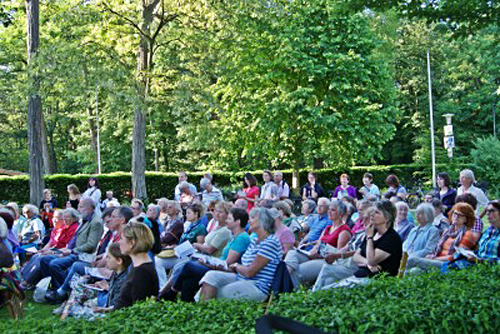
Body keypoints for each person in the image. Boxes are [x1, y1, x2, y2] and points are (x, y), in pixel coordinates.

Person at [159, 208, 251, 302]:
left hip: (226, 271)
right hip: (217, 265)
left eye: (230, 219)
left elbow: (227, 264)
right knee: (188, 282)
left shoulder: (241, 238)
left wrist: (207, 264)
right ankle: (186, 306)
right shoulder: (235, 236)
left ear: (238, 222)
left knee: (189, 266)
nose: (227, 221)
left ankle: (172, 292)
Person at [197, 207, 282, 301]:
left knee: (215, 290)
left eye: (253, 218)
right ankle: (202, 309)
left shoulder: (270, 242)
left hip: (256, 285)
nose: (249, 221)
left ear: (263, 221)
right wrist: (215, 266)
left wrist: (236, 266)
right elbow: (242, 268)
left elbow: (249, 272)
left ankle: (204, 310)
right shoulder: (254, 240)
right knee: (210, 276)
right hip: (241, 278)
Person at [315, 200, 402, 290]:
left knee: (327, 290)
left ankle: (312, 297)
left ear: (387, 218)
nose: (372, 214)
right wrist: (367, 263)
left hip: (375, 281)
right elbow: (356, 256)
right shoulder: (374, 232)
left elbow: (372, 260)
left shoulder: (391, 238)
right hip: (360, 275)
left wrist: (369, 238)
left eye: (376, 212)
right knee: (327, 272)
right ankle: (312, 295)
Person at [41, 198, 103, 302]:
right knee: (44, 259)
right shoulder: (84, 219)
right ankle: (56, 288)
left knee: (54, 264)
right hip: (74, 253)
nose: (78, 209)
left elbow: (91, 245)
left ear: (89, 209)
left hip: (83, 256)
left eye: (81, 206)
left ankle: (62, 292)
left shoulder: (95, 222)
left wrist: (71, 251)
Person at [285, 200, 352, 288]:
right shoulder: (328, 228)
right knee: (292, 253)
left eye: (333, 210)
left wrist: (319, 255)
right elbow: (318, 244)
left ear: (340, 213)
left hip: (326, 261)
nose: (329, 212)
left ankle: (292, 290)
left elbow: (338, 257)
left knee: (297, 271)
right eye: (329, 209)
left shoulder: (343, 231)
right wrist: (314, 250)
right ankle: (284, 274)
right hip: (316, 256)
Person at [97, 222, 158, 311]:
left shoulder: (142, 272)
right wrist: (105, 310)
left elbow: (136, 311)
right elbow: (125, 303)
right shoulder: (137, 265)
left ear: (132, 242)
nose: (119, 242)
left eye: (121, 238)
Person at [312, 205, 375, 291]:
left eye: (366, 219)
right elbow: (347, 246)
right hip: (342, 260)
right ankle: (319, 297)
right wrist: (336, 254)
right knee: (328, 280)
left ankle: (313, 293)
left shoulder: (370, 236)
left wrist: (337, 255)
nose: (363, 222)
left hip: (353, 265)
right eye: (363, 219)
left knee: (326, 268)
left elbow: (357, 252)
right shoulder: (359, 233)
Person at [406, 202, 477, 273]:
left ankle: (397, 277)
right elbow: (436, 249)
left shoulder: (468, 234)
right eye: (455, 213)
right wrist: (431, 256)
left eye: (460, 215)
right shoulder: (447, 231)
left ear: (466, 219)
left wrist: (435, 258)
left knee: (412, 259)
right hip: (437, 260)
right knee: (414, 271)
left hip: (448, 264)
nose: (456, 216)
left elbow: (456, 256)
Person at [155, 202, 207, 289]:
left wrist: (188, 247)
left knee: (178, 267)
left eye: (189, 213)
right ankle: (162, 286)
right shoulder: (186, 226)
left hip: (189, 256)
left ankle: (167, 290)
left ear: (196, 214)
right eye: (186, 213)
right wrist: (175, 246)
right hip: (179, 254)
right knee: (157, 261)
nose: (186, 215)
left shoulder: (200, 228)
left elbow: (199, 247)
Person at [443, 201, 500, 271]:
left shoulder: (468, 233)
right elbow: (481, 252)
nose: (487, 213)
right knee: (446, 267)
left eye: (491, 211)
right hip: (474, 265)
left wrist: (480, 261)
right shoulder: (488, 231)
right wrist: (470, 254)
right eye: (487, 211)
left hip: (488, 271)